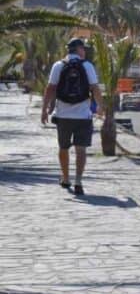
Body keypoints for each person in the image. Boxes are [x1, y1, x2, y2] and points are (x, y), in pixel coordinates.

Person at [41, 37, 103, 195]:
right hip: (83, 116)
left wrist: (44, 109)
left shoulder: (58, 65)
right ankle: (78, 181)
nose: (85, 52)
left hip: (63, 115)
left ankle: (66, 178)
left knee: (63, 147)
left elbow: (50, 88)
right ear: (79, 50)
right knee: (81, 149)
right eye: (84, 49)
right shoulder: (87, 65)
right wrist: (101, 106)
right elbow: (95, 88)